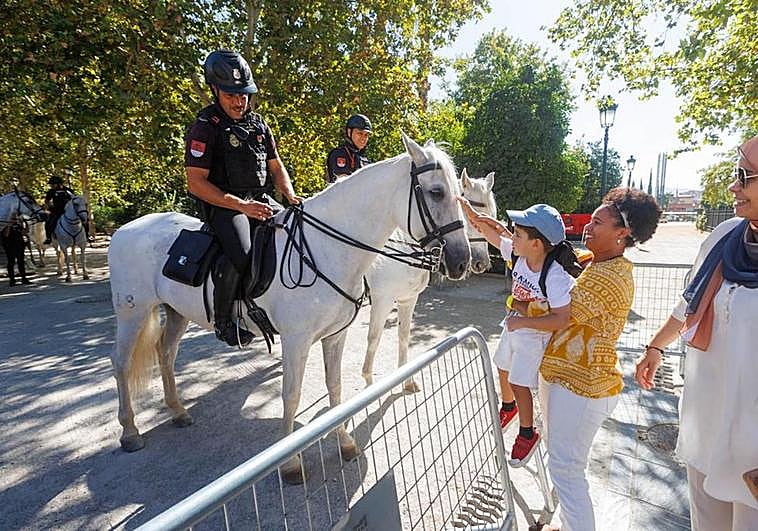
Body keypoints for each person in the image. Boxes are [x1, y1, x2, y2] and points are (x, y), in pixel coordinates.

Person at [636, 136, 758, 531]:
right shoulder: (725, 236)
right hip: (705, 421)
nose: (732, 187)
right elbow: (688, 304)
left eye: (744, 176)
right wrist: (656, 346)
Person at [528, 187, 661, 531]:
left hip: (583, 386)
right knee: (570, 464)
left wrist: (525, 296)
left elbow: (559, 311)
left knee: (565, 468)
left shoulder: (612, 275)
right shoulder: (595, 263)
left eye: (598, 222)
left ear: (622, 233)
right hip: (565, 378)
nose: (588, 226)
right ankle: (566, 524)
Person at [185, 49, 301, 347]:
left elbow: (276, 167)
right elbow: (196, 183)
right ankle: (224, 321)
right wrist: (241, 206)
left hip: (259, 198)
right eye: (231, 95)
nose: (239, 101)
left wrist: (288, 192)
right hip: (224, 205)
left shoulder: (260, 124)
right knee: (243, 253)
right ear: (214, 90)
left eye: (244, 94)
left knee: (296, 233)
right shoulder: (205, 126)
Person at [459, 200, 579, 467]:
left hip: (534, 335)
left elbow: (561, 318)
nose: (511, 237)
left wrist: (524, 323)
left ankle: (528, 432)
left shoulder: (555, 276)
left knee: (518, 382)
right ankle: (509, 407)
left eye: (518, 234)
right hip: (514, 326)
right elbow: (493, 236)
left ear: (536, 243)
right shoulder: (519, 254)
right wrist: (474, 218)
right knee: (501, 365)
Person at [325, 114, 372, 183]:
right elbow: (344, 184)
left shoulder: (365, 160)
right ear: (349, 132)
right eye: (359, 133)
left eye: (366, 135)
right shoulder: (339, 154)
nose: (363, 138)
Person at [43, 175, 75, 245]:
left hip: (68, 210)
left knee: (83, 218)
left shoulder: (68, 191)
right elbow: (47, 201)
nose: (51, 186)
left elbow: (74, 199)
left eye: (52, 184)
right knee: (48, 223)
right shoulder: (51, 192)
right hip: (56, 211)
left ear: (58, 184)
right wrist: (49, 207)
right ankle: (48, 238)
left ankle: (87, 235)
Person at [1, 218, 31, 286]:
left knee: (21, 262)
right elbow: (6, 234)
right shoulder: (4, 225)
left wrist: (26, 223)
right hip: (10, 246)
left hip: (19, 245)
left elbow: (25, 232)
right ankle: (12, 280)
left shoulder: (18, 225)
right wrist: (9, 225)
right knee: (11, 262)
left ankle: (24, 278)